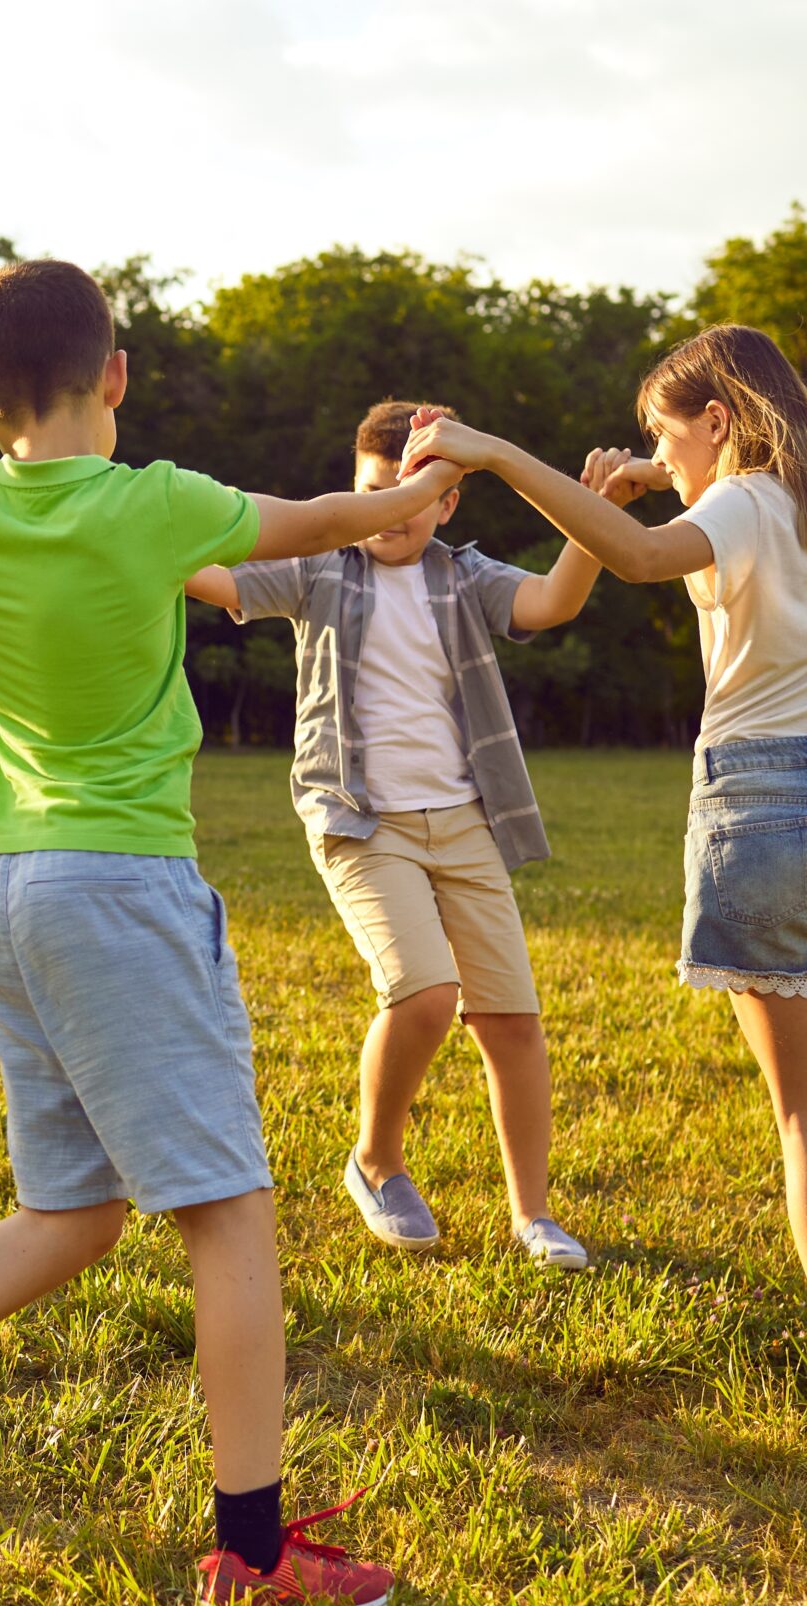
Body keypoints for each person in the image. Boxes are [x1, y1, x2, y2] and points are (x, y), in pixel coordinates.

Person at [0, 140, 470, 1606]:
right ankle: (251, 1555)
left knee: (74, 1209)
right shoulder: (159, 503)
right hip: (122, 889)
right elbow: (351, 521)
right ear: (116, 374)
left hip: (6, 888)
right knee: (232, 1214)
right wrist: (455, 462)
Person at [407, 323, 807, 1466]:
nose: (656, 453)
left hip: (763, 806)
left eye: (664, 430)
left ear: (722, 421)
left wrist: (494, 455)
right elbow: (689, 516)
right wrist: (648, 475)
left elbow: (641, 561)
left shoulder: (734, 503)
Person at [185, 397, 602, 1268]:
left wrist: (597, 520)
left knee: (512, 1019)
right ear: (353, 490)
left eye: (414, 497)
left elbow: (553, 601)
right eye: (375, 493)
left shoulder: (466, 575)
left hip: (465, 818)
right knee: (422, 992)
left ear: (448, 501)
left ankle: (534, 1214)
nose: (392, 514)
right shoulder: (318, 566)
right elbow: (216, 579)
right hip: (359, 818)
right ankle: (375, 1161)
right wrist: (146, 529)